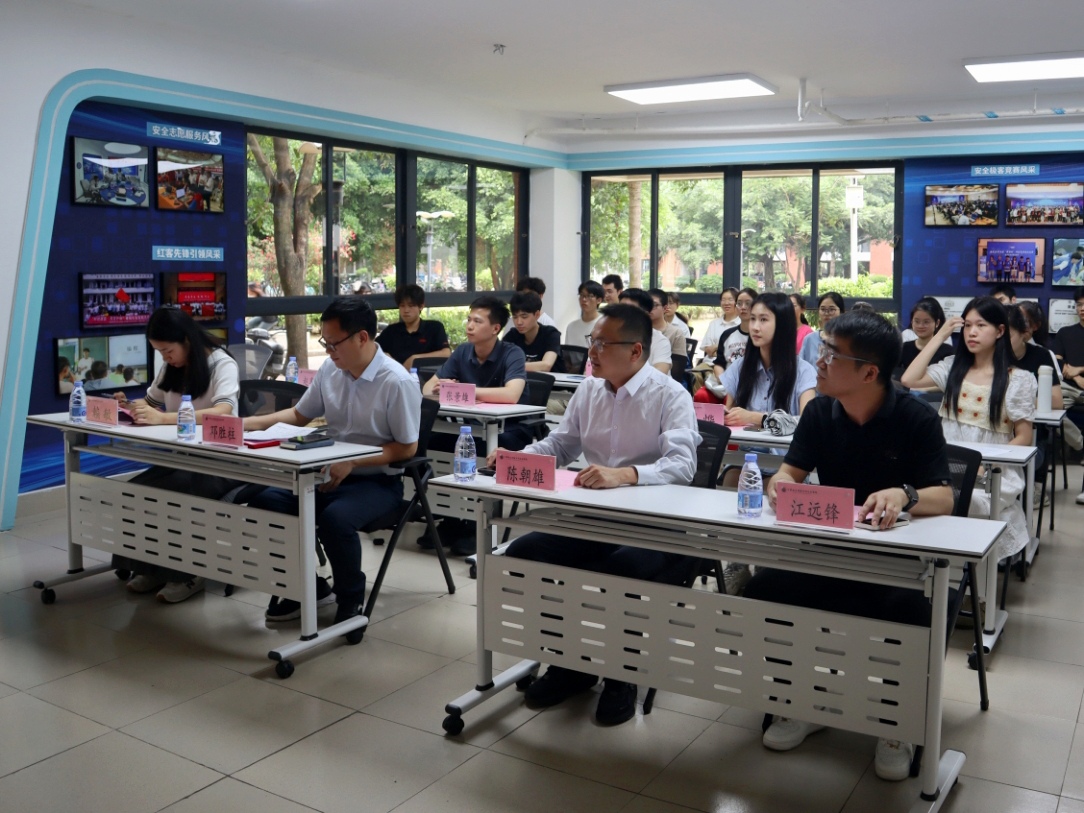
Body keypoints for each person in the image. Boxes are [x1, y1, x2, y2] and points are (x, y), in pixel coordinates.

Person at [745, 310, 955, 782]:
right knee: (763, 592)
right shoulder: (820, 412)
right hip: (829, 551)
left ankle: (896, 722)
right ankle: (801, 699)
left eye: (831, 354)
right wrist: (779, 484)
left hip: (897, 561)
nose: (819, 361)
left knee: (911, 615)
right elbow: (789, 473)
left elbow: (944, 497)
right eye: (822, 350)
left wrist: (904, 494)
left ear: (868, 372)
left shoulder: (916, 418)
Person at [487, 303, 700, 725]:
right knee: (527, 553)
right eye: (592, 342)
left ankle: (623, 673)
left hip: (654, 527)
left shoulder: (670, 394)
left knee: (622, 569)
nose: (591, 352)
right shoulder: (589, 390)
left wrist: (625, 474)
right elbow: (561, 445)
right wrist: (519, 456)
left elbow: (683, 465)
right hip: (594, 518)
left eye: (603, 344)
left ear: (635, 351)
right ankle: (572, 662)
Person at [245, 296, 421, 625]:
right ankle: (309, 588)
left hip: (376, 482)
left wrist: (353, 462)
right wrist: (248, 424)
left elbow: (407, 448)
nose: (328, 351)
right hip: (326, 474)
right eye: (324, 343)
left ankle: (350, 599)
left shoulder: (396, 381)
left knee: (335, 520)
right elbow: (299, 415)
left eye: (333, 343)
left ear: (362, 337)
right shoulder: (331, 369)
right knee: (265, 504)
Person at [113, 308, 240, 603]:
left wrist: (163, 418)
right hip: (184, 458)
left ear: (187, 340)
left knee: (175, 495)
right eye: (160, 352)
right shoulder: (171, 367)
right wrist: (128, 405)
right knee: (137, 491)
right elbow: (150, 402)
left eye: (168, 350)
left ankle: (188, 574)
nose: (166, 357)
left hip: (221, 462)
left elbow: (224, 412)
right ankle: (151, 568)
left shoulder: (221, 364)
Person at [901, 296, 1036, 566]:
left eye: (981, 325)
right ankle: (934, 570)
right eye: (967, 325)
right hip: (944, 467)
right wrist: (940, 335)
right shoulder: (953, 368)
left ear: (1000, 331)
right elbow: (909, 379)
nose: (972, 332)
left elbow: (1024, 436)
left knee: (953, 502)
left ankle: (959, 573)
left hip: (991, 472)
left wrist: (985, 465)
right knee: (911, 496)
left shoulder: (1018, 379)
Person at [717, 291, 817, 593]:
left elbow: (809, 423)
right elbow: (726, 415)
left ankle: (768, 563)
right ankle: (736, 563)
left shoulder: (803, 370)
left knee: (771, 485)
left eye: (764, 319)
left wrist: (759, 418)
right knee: (731, 478)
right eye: (752, 319)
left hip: (788, 467)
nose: (755, 326)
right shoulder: (741, 368)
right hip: (746, 461)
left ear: (783, 324)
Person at [423, 296, 528, 555]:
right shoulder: (462, 352)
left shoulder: (512, 353)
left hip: (511, 429)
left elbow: (511, 394)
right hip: (473, 428)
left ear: (495, 328)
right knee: (435, 444)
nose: (469, 325)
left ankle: (476, 525)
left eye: (478, 321)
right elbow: (426, 388)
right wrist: (440, 387)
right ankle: (449, 518)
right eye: (469, 319)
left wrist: (465, 390)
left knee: (485, 450)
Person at [694, 288, 756, 404]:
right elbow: (719, 363)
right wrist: (723, 380)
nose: (743, 307)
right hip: (726, 381)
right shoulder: (727, 334)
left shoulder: (759, 334)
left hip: (749, 383)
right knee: (701, 395)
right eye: (739, 303)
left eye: (748, 303)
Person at [375, 284, 451, 369]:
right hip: (395, 375)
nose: (406, 310)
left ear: (421, 306)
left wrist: (415, 358)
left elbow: (446, 353)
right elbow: (373, 349)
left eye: (411, 306)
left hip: (425, 375)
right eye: (402, 306)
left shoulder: (434, 328)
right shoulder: (391, 331)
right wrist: (386, 357)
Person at [894, 297, 954, 385]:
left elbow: (949, 383)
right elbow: (896, 377)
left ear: (937, 323)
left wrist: (921, 389)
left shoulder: (948, 351)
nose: (920, 326)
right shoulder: (903, 348)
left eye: (926, 322)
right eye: (917, 321)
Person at [503, 290, 566, 373]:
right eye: (515, 317)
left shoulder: (551, 334)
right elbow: (500, 360)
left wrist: (512, 365)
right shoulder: (513, 335)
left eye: (524, 317)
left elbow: (546, 365)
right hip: (523, 379)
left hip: (553, 380)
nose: (519, 322)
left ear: (537, 315)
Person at [618, 288, 672, 373]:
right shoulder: (610, 337)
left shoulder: (659, 341)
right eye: (620, 309)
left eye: (630, 310)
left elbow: (660, 372)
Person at [798, 291, 845, 366]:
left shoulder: (846, 339)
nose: (826, 313)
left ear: (841, 312)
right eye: (823, 309)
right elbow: (801, 366)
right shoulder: (809, 339)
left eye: (831, 309)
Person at [700, 287, 741, 358]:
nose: (726, 303)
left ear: (737, 302)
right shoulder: (714, 324)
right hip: (710, 362)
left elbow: (740, 352)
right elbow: (708, 350)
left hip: (733, 363)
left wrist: (716, 346)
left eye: (730, 299)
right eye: (723, 300)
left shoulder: (742, 324)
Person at [564, 280, 604, 348]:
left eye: (589, 296)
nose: (584, 299)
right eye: (582, 295)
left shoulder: (604, 325)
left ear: (599, 300)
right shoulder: (571, 327)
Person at [648, 288, 686, 358]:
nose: (649, 308)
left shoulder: (676, 333)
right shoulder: (638, 330)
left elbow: (678, 363)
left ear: (665, 308)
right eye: (646, 304)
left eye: (654, 305)